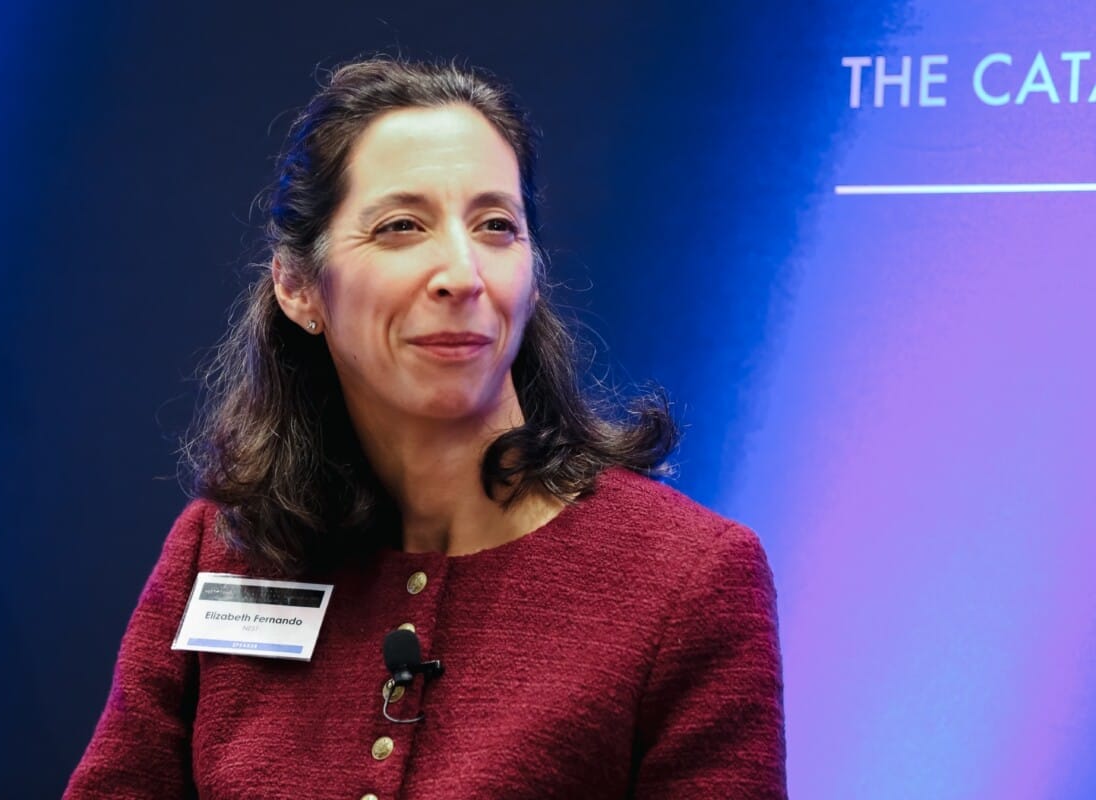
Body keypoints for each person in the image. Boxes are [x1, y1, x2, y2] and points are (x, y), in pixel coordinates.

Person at [65, 57, 786, 798]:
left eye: (497, 227)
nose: (462, 275)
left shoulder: (687, 577)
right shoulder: (224, 550)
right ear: (298, 285)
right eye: (401, 227)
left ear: (533, 277)